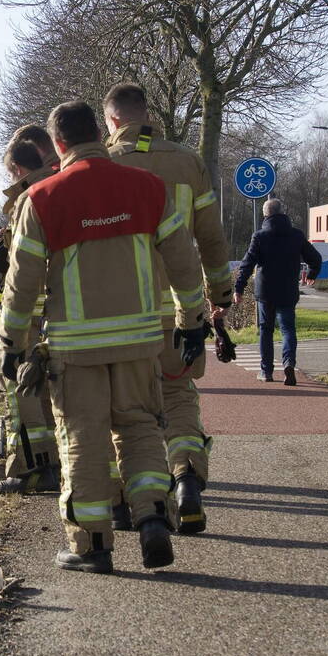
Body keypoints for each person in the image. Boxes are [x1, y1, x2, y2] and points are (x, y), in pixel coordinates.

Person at [0, 100, 206, 574]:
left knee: (84, 439)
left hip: (76, 351)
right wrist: (192, 319)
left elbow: (22, 283)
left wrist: (11, 347)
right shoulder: (148, 188)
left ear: (59, 145)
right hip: (139, 342)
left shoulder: (43, 199)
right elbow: (183, 260)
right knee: (139, 427)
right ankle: (153, 514)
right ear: (98, 130)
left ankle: (92, 545)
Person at [104, 82, 233, 534]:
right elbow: (212, 238)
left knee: (126, 411)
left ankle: (125, 502)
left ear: (113, 120)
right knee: (179, 397)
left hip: (123, 314)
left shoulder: (104, 165)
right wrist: (219, 297)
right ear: (146, 113)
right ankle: (187, 479)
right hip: (181, 309)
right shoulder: (188, 161)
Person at [0, 131, 60, 495]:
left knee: (22, 389)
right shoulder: (65, 185)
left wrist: (11, 334)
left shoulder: (28, 198)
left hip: (30, 313)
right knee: (53, 389)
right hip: (63, 309)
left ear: (18, 167)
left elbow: (24, 269)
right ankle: (57, 460)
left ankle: (32, 467)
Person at [235, 198, 322, 385]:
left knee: (266, 330)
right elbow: (315, 257)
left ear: (265, 214)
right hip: (288, 290)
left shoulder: (259, 236)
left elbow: (247, 264)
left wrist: (239, 288)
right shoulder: (296, 235)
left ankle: (266, 371)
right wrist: (312, 272)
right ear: (282, 212)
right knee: (287, 328)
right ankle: (289, 362)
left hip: (265, 291)